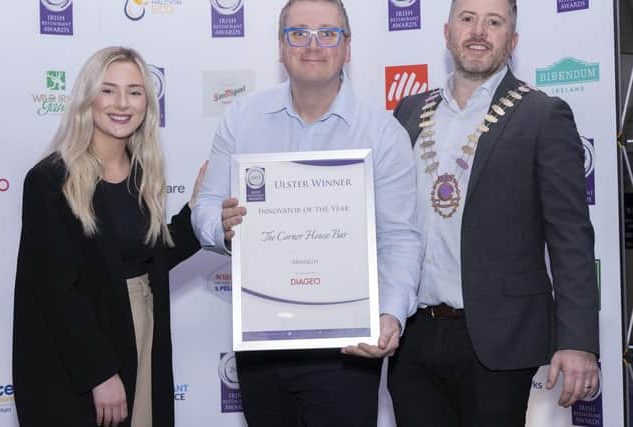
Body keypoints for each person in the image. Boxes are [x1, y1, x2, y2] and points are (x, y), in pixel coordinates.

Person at [190, 0, 421, 425]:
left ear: (347, 48)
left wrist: (389, 313)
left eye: (328, 33)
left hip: (348, 349)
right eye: (298, 33)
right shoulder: (241, 119)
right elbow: (204, 207)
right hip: (262, 339)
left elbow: (400, 238)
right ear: (280, 46)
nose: (313, 44)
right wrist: (218, 226)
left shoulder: (382, 133)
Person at [387, 0, 600, 426]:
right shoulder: (408, 113)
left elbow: (571, 237)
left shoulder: (542, 115)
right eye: (467, 19)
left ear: (513, 40)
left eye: (494, 22)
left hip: (498, 339)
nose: (479, 31)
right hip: (412, 336)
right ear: (447, 33)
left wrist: (578, 341)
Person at [13, 46, 205, 427]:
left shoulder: (141, 176)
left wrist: (199, 214)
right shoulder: (50, 180)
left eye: (135, 92)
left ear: (148, 104)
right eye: (109, 90)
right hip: (81, 349)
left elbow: (148, 258)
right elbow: (57, 291)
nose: (122, 103)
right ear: (88, 98)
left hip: (142, 331)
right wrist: (99, 372)